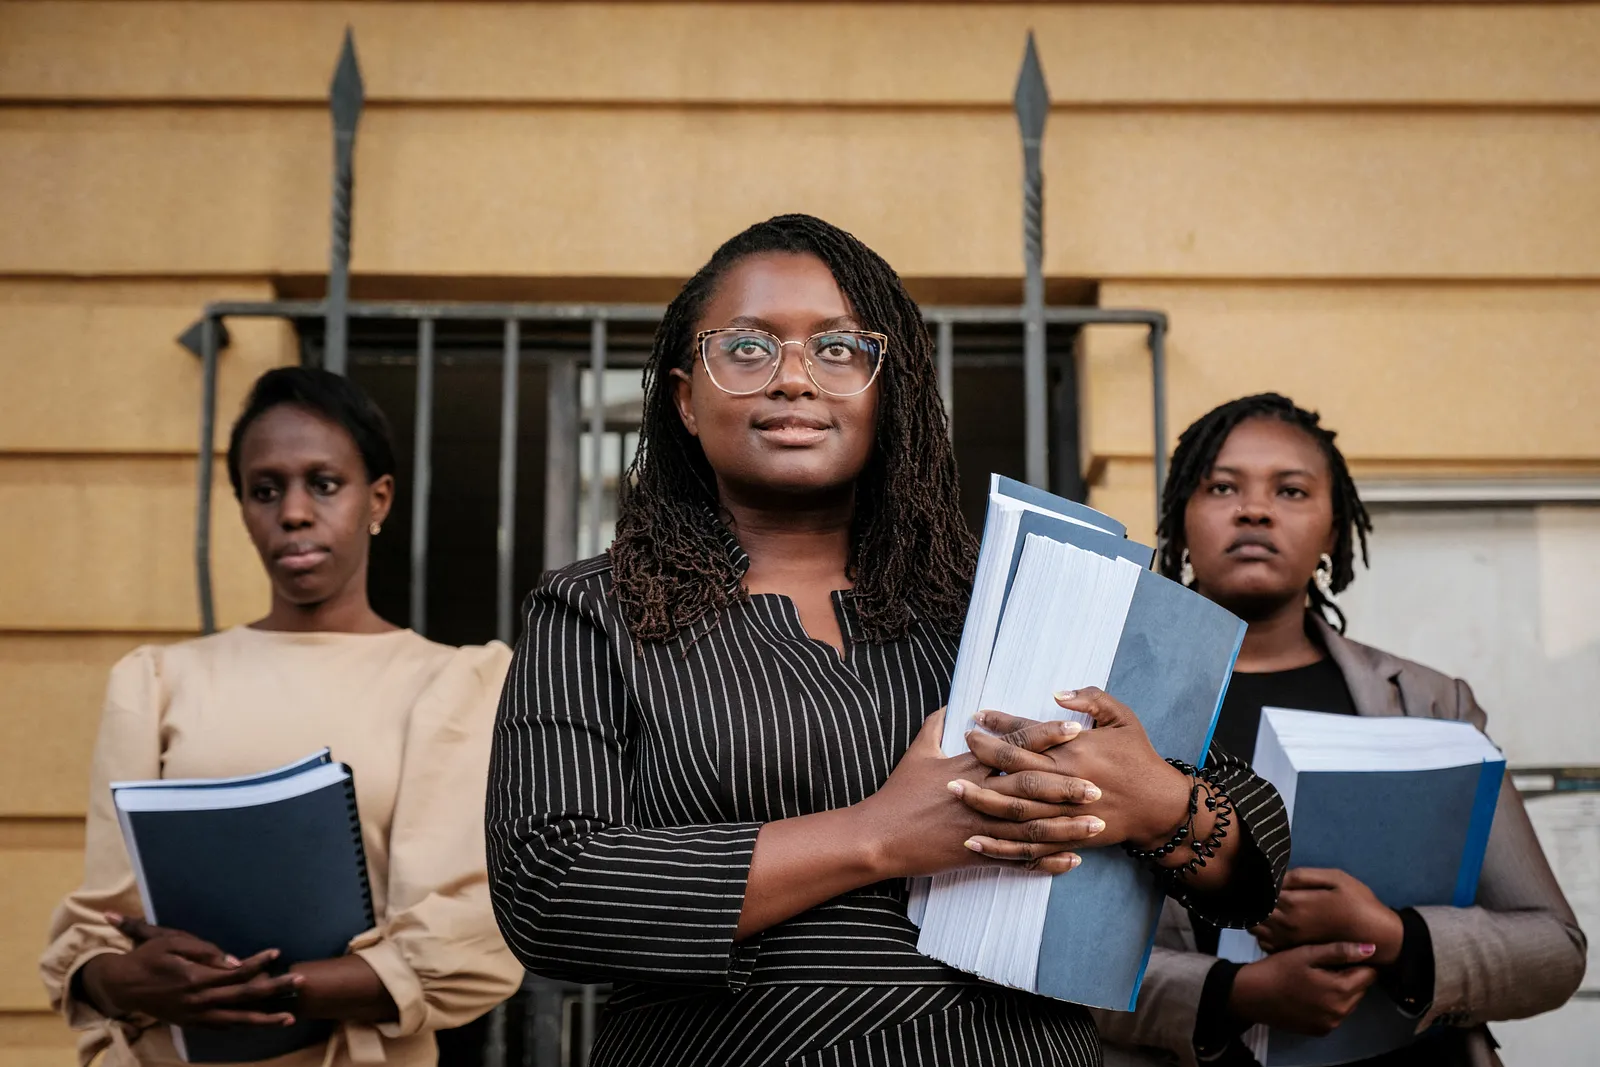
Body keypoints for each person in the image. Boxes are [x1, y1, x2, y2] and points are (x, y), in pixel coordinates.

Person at [485, 214, 1291, 1066]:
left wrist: (1153, 799)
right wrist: (882, 833)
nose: (794, 378)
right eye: (749, 347)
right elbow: (548, 888)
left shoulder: (1011, 595)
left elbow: (1257, 860)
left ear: (888, 390)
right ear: (686, 398)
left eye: (838, 350)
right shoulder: (595, 608)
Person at [41, 367, 524, 1067]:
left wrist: (264, 988)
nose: (294, 512)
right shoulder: (156, 681)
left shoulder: (451, 682)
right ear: (242, 508)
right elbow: (101, 926)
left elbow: (463, 936)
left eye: (324, 484)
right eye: (265, 490)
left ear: (377, 498)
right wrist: (118, 978)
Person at [1093, 393, 1587, 1067]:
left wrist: (1390, 936)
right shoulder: (1110, 710)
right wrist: (1233, 993)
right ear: (1182, 517)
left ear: (1332, 530)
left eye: (1291, 489)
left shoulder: (1427, 702)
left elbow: (1555, 949)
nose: (1255, 508)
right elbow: (1057, 962)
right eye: (1221, 486)